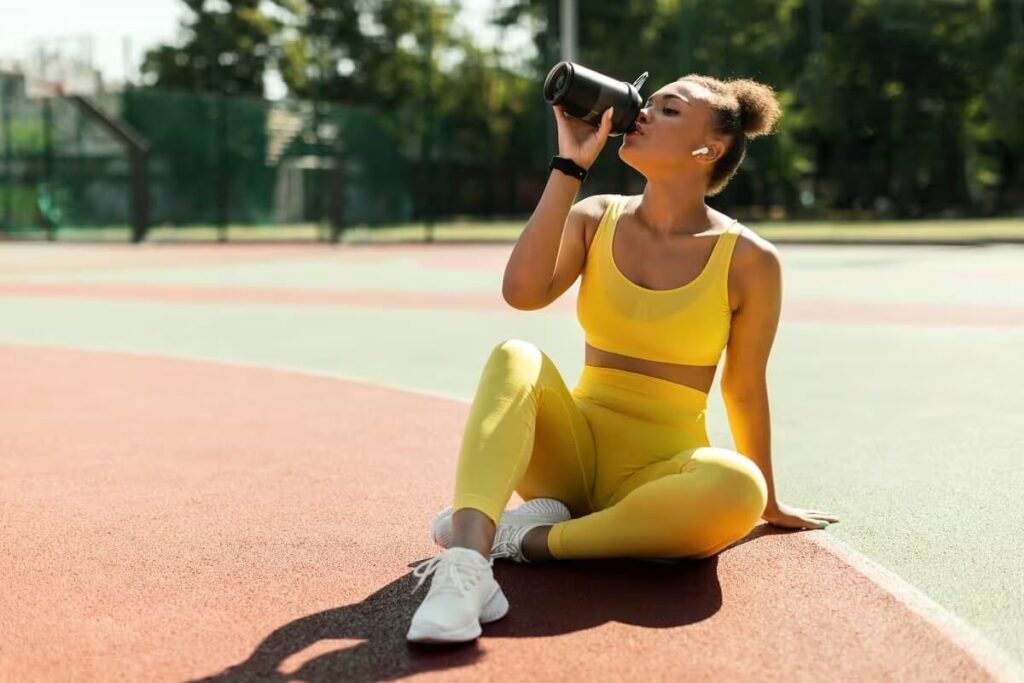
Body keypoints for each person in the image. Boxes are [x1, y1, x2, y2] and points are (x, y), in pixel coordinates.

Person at [406, 74, 839, 644]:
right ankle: (466, 569)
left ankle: (526, 541)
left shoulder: (751, 260)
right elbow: (523, 293)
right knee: (516, 354)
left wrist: (771, 500)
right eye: (649, 102)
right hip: (568, 459)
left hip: (657, 477)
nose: (643, 112)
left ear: (707, 149)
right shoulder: (597, 215)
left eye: (669, 109)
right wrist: (569, 166)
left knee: (739, 484)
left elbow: (743, 386)